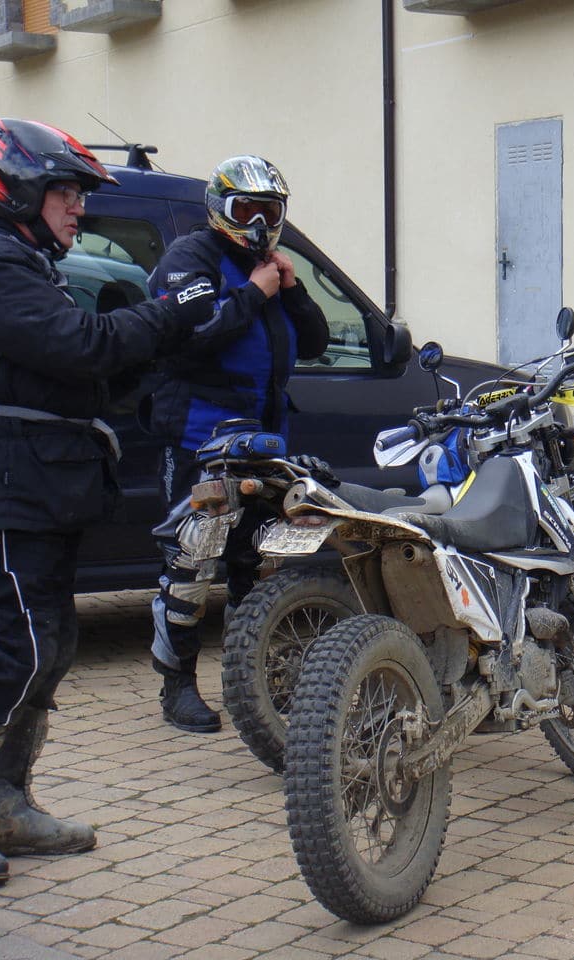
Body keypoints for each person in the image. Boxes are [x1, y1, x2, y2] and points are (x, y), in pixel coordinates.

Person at [0, 118, 218, 885]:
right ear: (17, 189)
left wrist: (154, 352)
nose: (77, 207)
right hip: (4, 487)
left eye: (78, 194)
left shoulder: (24, 263)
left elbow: (75, 370)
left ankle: (5, 800)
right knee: (16, 651)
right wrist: (171, 311)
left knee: (50, 648)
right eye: (64, 191)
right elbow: (83, 345)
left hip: (42, 484)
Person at [145, 156, 328, 733]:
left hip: (265, 440)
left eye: (267, 211)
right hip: (200, 439)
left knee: (257, 562)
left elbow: (318, 341)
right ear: (219, 210)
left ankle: (258, 681)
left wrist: (291, 291)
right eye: (244, 209)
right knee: (190, 562)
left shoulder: (270, 268)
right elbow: (186, 338)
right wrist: (252, 293)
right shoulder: (190, 259)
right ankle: (176, 687)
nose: (256, 222)